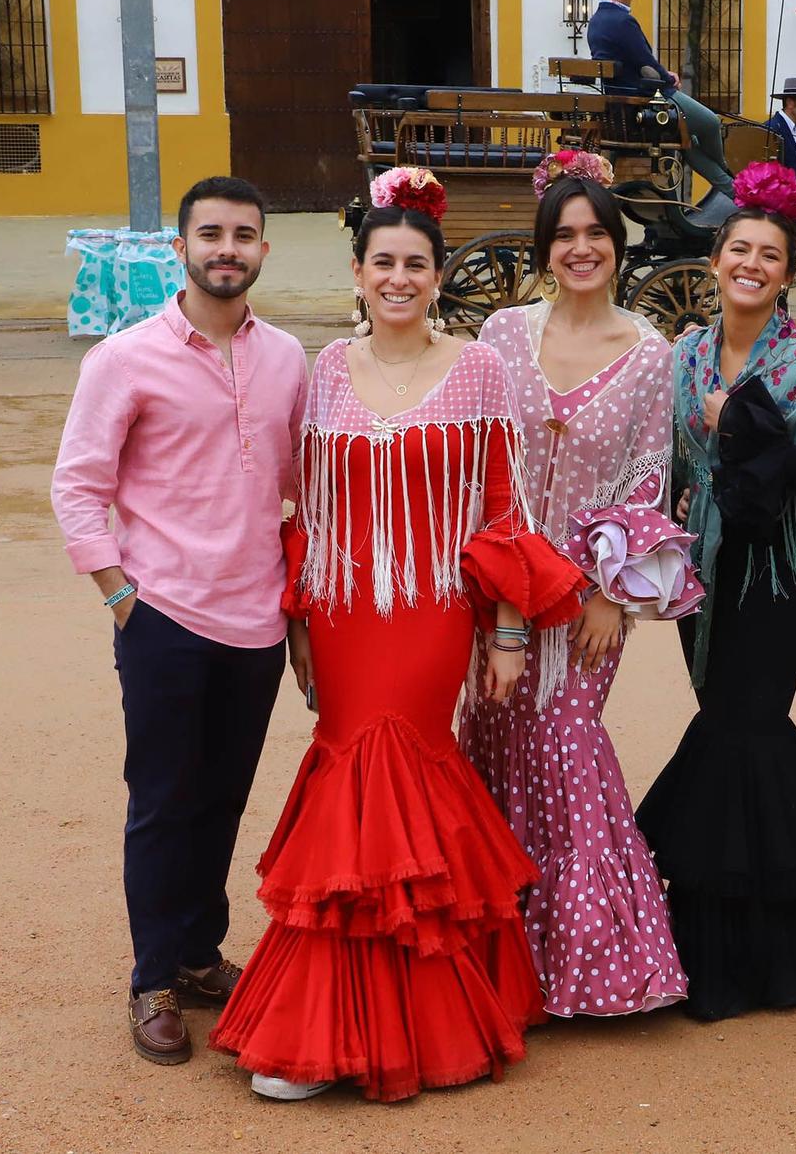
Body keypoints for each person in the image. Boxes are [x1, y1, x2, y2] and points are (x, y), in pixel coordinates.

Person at [208, 173, 587, 1102]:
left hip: (430, 613)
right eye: (384, 262)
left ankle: (404, 1020)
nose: (399, 277)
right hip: (340, 614)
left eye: (416, 263)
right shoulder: (324, 368)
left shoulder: (480, 370)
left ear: (438, 274)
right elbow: (305, 504)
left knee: (403, 772)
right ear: (358, 271)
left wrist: (504, 633)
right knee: (345, 771)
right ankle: (329, 1025)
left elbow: (504, 512)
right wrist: (297, 620)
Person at [52, 175, 308, 1067]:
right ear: (182, 248)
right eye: (211, 234)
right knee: (162, 800)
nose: (227, 249)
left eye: (244, 234)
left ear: (264, 251)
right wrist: (121, 597)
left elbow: (298, 484)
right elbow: (79, 486)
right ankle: (153, 979)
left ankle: (200, 954)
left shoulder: (288, 359)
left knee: (224, 797)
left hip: (257, 621)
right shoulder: (122, 359)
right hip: (162, 613)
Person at [463, 163, 700, 1018]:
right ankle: (496, 959)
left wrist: (613, 595)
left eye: (595, 233)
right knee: (492, 734)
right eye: (564, 235)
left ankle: (594, 963)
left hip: (586, 596)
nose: (581, 248)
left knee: (564, 738)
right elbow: (480, 468)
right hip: (497, 586)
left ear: (617, 245)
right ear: (544, 250)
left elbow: (646, 481)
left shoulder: (649, 354)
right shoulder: (499, 335)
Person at [637, 161, 796, 1020]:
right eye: (739, 248)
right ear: (716, 259)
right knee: (724, 723)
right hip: (704, 575)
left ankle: (753, 953)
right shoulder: (687, 353)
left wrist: (738, 429)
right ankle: (775, 926)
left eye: (770, 255)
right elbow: (660, 461)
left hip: (776, 578)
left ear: (785, 271)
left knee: (746, 725)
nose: (751, 265)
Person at [587, 0, 734, 197]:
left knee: (690, 145)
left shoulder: (595, 22)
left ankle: (731, 190)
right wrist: (669, 77)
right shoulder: (622, 21)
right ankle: (727, 169)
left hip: (618, 109)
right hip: (647, 103)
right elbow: (645, 62)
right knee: (711, 123)